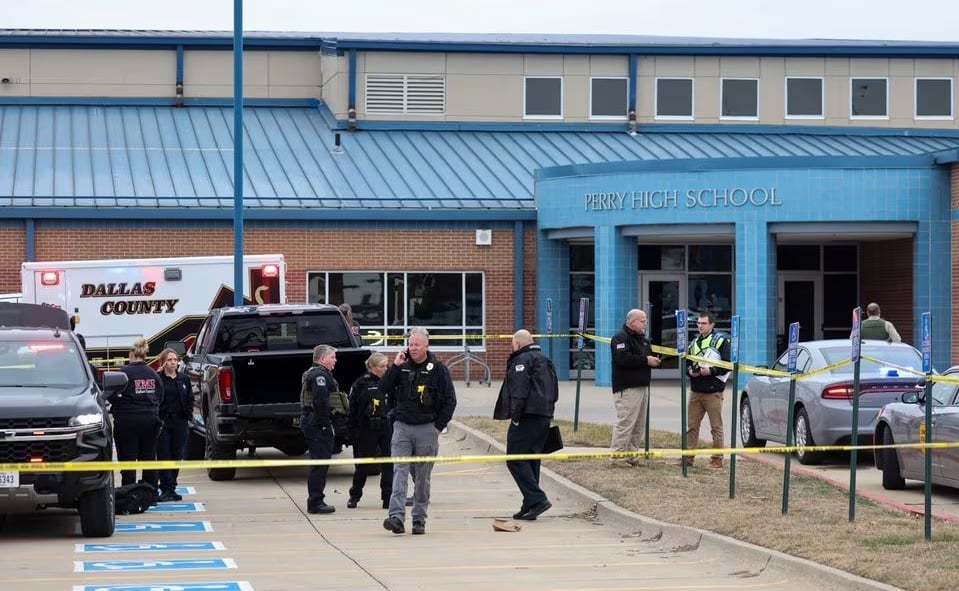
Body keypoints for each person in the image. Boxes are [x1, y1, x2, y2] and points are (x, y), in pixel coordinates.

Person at [380, 327, 456, 536]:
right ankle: (396, 516)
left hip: (426, 428)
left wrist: (437, 427)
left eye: (417, 345)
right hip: (402, 427)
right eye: (410, 344)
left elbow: (450, 400)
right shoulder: (401, 366)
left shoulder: (438, 369)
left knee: (422, 477)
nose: (412, 348)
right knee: (399, 472)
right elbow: (383, 389)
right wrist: (394, 366)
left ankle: (419, 518)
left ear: (426, 346)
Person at [494, 329, 559, 521]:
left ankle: (537, 499)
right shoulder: (545, 359)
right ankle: (530, 504)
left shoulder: (522, 360)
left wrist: (515, 416)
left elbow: (519, 390)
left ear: (518, 344)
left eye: (512, 344)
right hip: (544, 415)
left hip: (527, 416)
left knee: (515, 459)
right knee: (531, 460)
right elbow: (555, 390)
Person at [609, 309, 661, 467]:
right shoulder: (620, 338)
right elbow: (622, 358)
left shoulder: (643, 340)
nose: (645, 324)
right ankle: (617, 457)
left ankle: (631, 455)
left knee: (638, 423)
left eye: (645, 321)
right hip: (627, 387)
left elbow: (648, 356)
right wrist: (646, 360)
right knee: (626, 422)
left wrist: (654, 361)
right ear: (631, 322)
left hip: (642, 385)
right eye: (642, 321)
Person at [111, 337, 163, 487]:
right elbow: (160, 396)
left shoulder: (123, 374)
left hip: (127, 421)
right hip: (150, 420)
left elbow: (112, 396)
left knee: (128, 459)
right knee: (149, 457)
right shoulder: (153, 374)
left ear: (131, 353)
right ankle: (150, 491)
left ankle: (129, 491)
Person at [682, 312, 731, 470]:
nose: (700, 326)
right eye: (698, 323)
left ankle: (717, 459)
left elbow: (727, 365)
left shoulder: (721, 341)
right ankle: (688, 458)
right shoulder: (694, 342)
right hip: (696, 390)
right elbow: (687, 364)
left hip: (713, 391)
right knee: (692, 426)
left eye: (703, 323)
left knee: (716, 427)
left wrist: (710, 371)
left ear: (712, 324)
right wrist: (691, 371)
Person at [347, 352, 393, 509]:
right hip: (367, 429)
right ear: (372, 367)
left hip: (386, 427)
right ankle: (354, 495)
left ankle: (387, 497)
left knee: (388, 464)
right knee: (364, 465)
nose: (385, 369)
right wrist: (352, 432)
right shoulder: (360, 384)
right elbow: (352, 410)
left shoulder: (389, 383)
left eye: (386, 366)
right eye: (382, 366)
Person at [300, 344, 339, 514]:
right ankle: (316, 502)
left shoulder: (315, 373)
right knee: (320, 463)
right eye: (332, 357)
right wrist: (325, 425)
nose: (335, 361)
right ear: (323, 359)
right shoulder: (319, 376)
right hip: (317, 423)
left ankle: (317, 499)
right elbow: (321, 402)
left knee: (321, 462)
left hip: (314, 421)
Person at [155, 347, 192, 502]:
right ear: (163, 362)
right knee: (164, 455)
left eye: (175, 360)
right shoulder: (158, 379)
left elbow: (190, 398)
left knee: (177, 455)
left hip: (180, 422)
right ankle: (166, 488)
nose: (172, 363)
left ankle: (172, 487)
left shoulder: (183, 379)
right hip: (163, 423)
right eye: (169, 360)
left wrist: (188, 415)